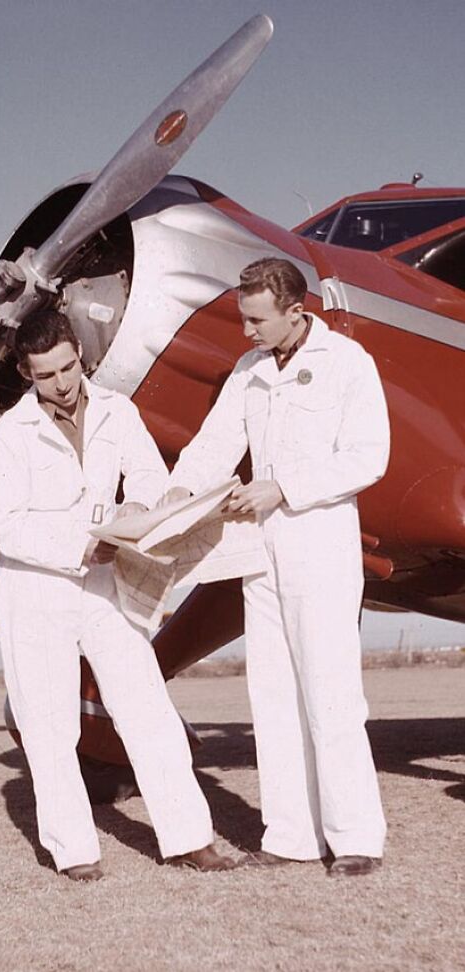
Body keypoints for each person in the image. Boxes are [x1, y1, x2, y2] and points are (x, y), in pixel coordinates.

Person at [0, 309, 234, 881]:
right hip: (35, 589)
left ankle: (190, 838)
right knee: (49, 725)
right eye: (46, 376)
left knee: (146, 705)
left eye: (69, 368)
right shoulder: (9, 435)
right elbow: (4, 523)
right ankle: (74, 853)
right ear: (27, 373)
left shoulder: (118, 412)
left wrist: (141, 511)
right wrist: (78, 544)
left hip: (103, 582)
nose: (63, 384)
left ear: (80, 354)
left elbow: (146, 472)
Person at [161, 258, 390, 877]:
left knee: (330, 691)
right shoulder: (249, 370)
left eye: (256, 320)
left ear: (295, 311)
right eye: (243, 319)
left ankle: (356, 840)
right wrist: (176, 497)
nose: (246, 332)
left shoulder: (348, 363)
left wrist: (283, 487)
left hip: (319, 545)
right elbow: (213, 445)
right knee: (272, 694)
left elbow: (369, 457)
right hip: (260, 553)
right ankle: (289, 837)